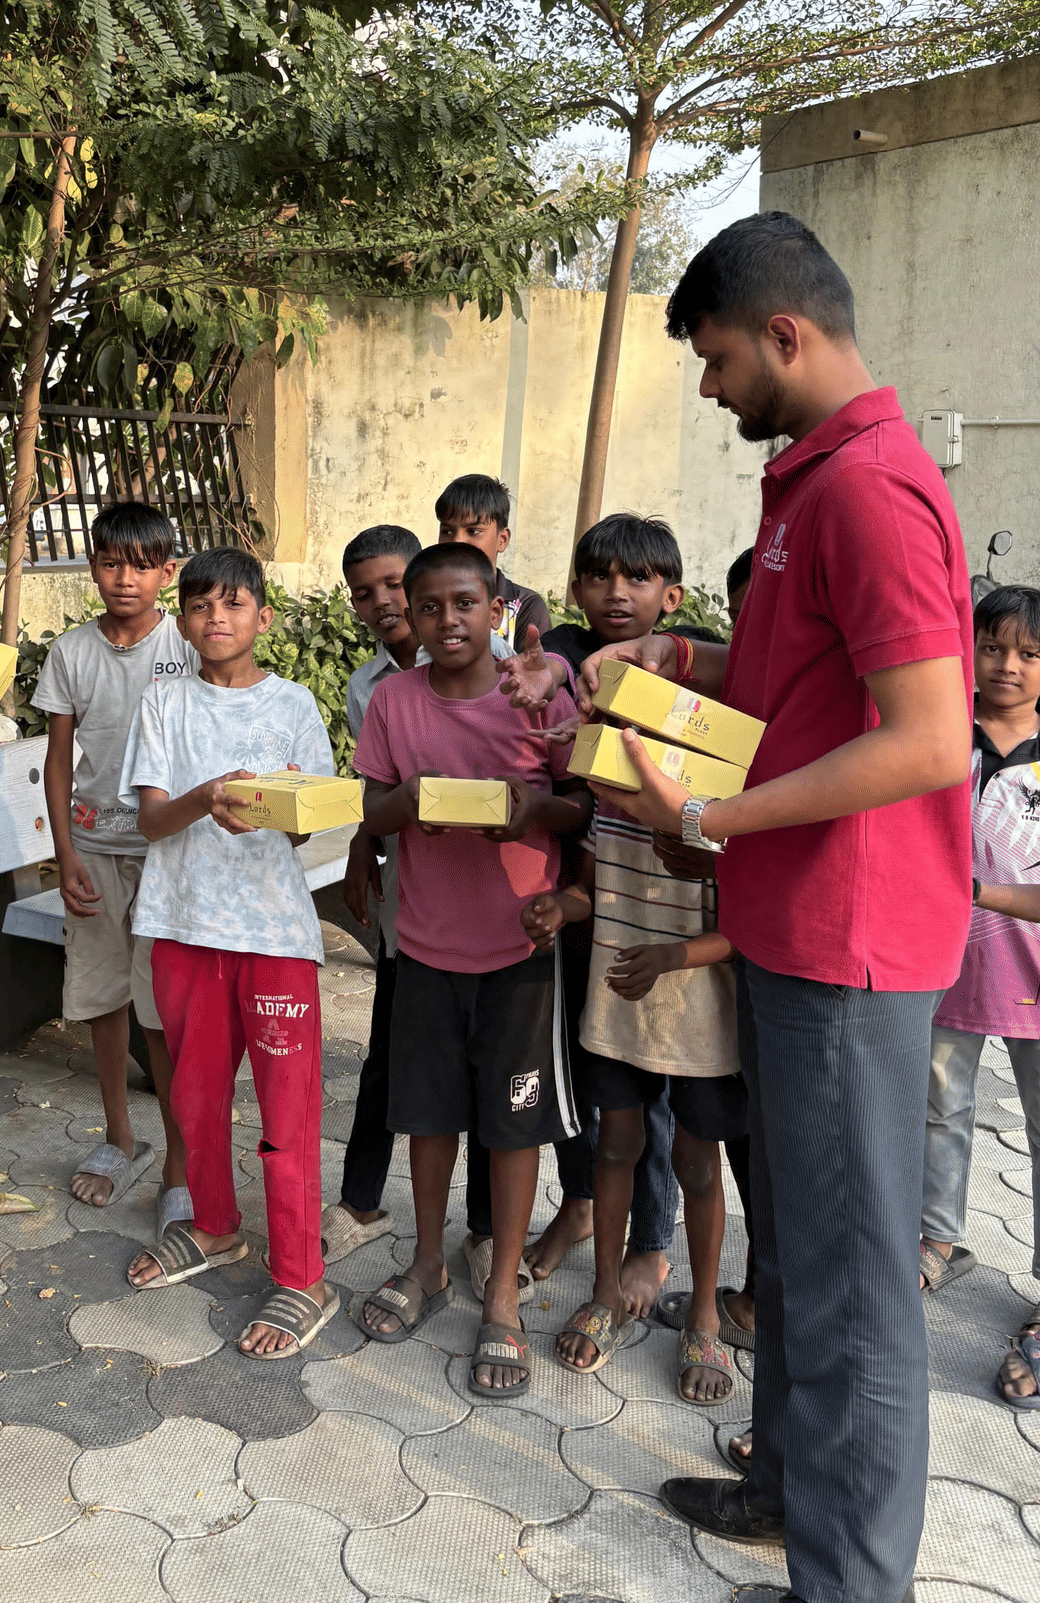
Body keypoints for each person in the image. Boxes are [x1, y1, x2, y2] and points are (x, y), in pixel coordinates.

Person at [550, 213, 972, 1603]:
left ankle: (851, 1578)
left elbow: (925, 737)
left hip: (853, 946)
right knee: (796, 1248)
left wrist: (714, 817)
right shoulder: (816, 485)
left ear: (785, 334)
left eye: (720, 359)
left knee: (855, 1288)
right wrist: (684, 650)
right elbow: (813, 676)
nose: (715, 386)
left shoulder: (870, 489)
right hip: (796, 937)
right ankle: (791, 1483)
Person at [351, 541, 588, 1397]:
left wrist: (534, 812)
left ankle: (501, 1296)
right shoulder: (393, 702)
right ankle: (426, 1264)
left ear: (496, 606)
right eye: (428, 608)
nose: (447, 621)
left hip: (520, 951)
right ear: (407, 619)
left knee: (513, 1125)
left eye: (463, 604)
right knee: (428, 1115)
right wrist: (403, 806)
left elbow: (580, 805)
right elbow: (370, 809)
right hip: (425, 946)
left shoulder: (534, 699)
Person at [119, 546, 340, 1358]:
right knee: (194, 1100)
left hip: (273, 935)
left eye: (235, 604)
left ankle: (302, 1274)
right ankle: (213, 1226)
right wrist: (205, 798)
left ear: (263, 618)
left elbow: (310, 818)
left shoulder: (294, 705)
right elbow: (148, 821)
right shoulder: (165, 703)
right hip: (182, 927)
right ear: (183, 622)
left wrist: (265, 802)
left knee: (286, 1117)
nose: (218, 618)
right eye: (202, 605)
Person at [523, 514, 705, 1315]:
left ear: (671, 597)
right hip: (599, 911)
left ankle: (653, 1244)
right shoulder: (563, 655)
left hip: (684, 930)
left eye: (635, 580)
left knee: (664, 1108)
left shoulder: (694, 678)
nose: (615, 593)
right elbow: (554, 665)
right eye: (599, 577)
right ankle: (588, 1209)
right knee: (597, 1091)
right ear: (573, 588)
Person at [522, 752, 745, 1405]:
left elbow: (745, 925)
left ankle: (703, 1312)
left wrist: (675, 956)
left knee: (697, 1162)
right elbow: (589, 891)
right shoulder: (609, 808)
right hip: (619, 1005)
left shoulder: (717, 811)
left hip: (700, 1016)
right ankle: (605, 1293)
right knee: (615, 1146)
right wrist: (563, 908)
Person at [334, 524, 504, 1299]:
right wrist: (365, 842)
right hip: (418, 905)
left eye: (393, 586)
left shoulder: (519, 680)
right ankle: (368, 1204)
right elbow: (378, 797)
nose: (385, 603)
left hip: (500, 918)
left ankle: (487, 1232)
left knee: (492, 1084)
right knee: (403, 1060)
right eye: (365, 593)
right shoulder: (373, 690)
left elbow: (554, 792)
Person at [33, 502, 191, 1229]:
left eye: (139, 564)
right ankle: (119, 1137)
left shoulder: (186, 646)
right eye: (108, 562)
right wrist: (64, 853)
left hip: (167, 854)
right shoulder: (71, 653)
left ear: (167, 572)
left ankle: (179, 1165)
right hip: (94, 851)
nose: (122, 578)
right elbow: (58, 760)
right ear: (91, 566)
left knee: (164, 1011)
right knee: (103, 1000)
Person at [919, 585, 1040, 1407]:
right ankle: (935, 1238)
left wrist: (979, 894)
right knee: (939, 1103)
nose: (1006, 665)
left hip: (1037, 974)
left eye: (1028, 653)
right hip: (940, 966)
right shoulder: (934, 739)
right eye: (992, 646)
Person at [435, 472, 551, 647]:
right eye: (447, 531)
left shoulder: (525, 607)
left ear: (502, 540)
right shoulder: (429, 602)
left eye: (473, 531)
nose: (457, 542)